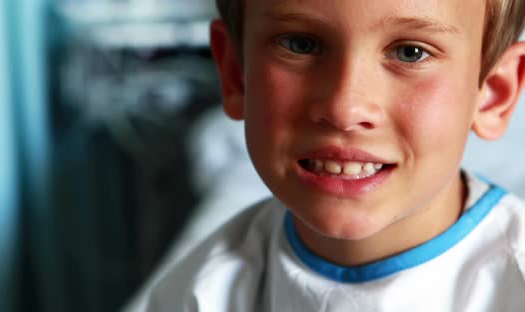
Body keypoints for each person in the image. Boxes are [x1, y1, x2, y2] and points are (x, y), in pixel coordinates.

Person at [144, 0, 525, 310]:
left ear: (494, 91)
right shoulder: (197, 295)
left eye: (410, 53)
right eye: (299, 44)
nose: (344, 108)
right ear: (235, 74)